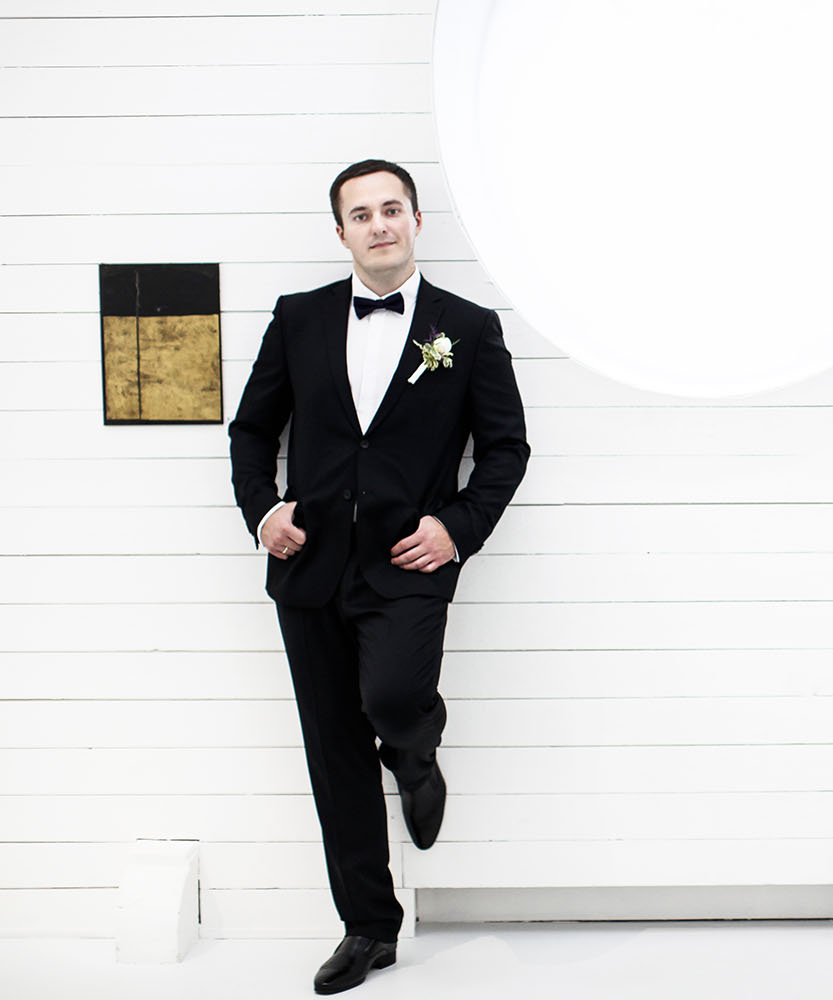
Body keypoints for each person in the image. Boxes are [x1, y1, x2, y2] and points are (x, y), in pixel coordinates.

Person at [229, 158, 529, 994]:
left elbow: (506, 448)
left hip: (407, 565)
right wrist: (263, 511)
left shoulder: (467, 328)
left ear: (417, 220)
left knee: (394, 697)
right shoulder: (298, 318)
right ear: (341, 233)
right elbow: (252, 431)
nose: (379, 225)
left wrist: (455, 528)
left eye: (391, 209)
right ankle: (368, 927)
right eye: (360, 215)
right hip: (309, 565)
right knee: (334, 753)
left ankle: (415, 750)